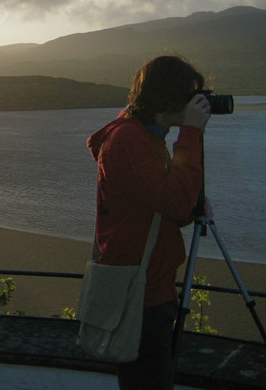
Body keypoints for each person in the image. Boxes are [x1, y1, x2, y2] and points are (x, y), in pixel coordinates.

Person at [86, 55, 212, 390]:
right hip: (140, 293)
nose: (196, 104)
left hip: (149, 285)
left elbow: (165, 207)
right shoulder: (130, 140)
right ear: (167, 96)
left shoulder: (144, 136)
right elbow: (173, 201)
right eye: (190, 95)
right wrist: (191, 133)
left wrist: (192, 206)